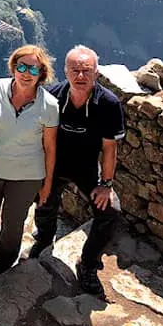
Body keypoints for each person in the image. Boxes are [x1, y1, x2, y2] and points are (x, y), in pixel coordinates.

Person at [30, 45, 124, 297]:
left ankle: (88, 264)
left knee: (110, 212)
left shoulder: (108, 104)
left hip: (86, 168)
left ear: (96, 72)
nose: (80, 76)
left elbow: (109, 148)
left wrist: (106, 184)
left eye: (86, 70)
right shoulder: (51, 96)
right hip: (54, 163)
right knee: (44, 201)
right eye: (75, 70)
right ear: (65, 71)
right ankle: (44, 239)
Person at [0, 45, 59, 278]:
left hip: (26, 176)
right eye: (21, 66)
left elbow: (50, 148)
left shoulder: (49, 106)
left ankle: (2, 270)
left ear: (41, 73)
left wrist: (47, 185)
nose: (26, 73)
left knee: (12, 227)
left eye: (33, 68)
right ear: (13, 67)